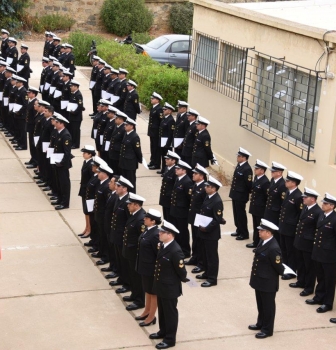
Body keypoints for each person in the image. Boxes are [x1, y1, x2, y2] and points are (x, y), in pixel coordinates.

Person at [149, 220, 189, 350]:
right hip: (161, 285)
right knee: (162, 310)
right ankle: (163, 331)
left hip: (170, 287)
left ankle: (170, 339)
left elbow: (181, 271)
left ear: (170, 235)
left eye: (162, 232)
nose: (159, 233)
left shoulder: (175, 251)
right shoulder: (164, 245)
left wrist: (179, 281)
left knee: (170, 313)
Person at [249, 219, 284, 339]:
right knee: (261, 304)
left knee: (268, 306)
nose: (259, 232)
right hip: (260, 280)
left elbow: (278, 266)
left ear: (268, 233)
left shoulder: (273, 248)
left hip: (268, 282)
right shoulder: (263, 241)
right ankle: (261, 323)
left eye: (262, 231)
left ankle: (267, 329)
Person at [307, 193, 336, 317]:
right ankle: (319, 296)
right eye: (323, 203)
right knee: (320, 276)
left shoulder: (334, 219)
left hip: (329, 255)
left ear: (332, 206)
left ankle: (327, 303)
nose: (322, 205)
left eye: (325, 203)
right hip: (319, 252)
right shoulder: (322, 216)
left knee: (329, 279)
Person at [292, 188, 322, 296]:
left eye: (306, 197)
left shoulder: (318, 212)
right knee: (300, 263)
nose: (303, 198)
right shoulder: (305, 208)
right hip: (300, 240)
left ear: (313, 199)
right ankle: (301, 281)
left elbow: (317, 229)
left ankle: (309, 288)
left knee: (309, 266)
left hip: (308, 243)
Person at [196, 175, 224, 287]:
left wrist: (206, 228)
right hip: (203, 231)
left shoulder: (217, 201)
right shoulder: (208, 197)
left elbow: (217, 219)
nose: (205, 188)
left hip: (211, 233)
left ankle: (212, 279)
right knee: (205, 254)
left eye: (208, 186)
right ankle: (207, 273)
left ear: (214, 188)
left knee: (212, 256)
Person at [136, 209, 161, 326]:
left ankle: (151, 316)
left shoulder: (156, 234)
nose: (144, 219)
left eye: (147, 218)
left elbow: (158, 254)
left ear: (153, 221)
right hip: (144, 266)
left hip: (151, 268)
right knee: (147, 290)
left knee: (153, 292)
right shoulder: (148, 230)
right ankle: (147, 311)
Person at [108, 176, 133, 294]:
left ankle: (127, 283)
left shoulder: (127, 202)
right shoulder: (119, 198)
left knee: (124, 261)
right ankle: (121, 278)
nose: (116, 187)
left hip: (122, 236)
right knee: (118, 259)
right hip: (116, 234)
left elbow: (129, 221)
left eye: (118, 186)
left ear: (124, 188)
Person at [122, 193, 147, 311]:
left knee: (137, 278)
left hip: (135, 253)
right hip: (130, 251)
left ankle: (140, 301)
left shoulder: (141, 219)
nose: (128, 206)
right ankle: (134, 294)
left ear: (136, 205)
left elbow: (141, 238)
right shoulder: (134, 215)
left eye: (130, 204)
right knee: (132, 275)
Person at [279, 170, 303, 280]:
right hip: (284, 225)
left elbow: (300, 214)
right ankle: (285, 267)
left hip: (290, 227)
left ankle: (291, 271)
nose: (286, 182)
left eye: (288, 181)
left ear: (294, 183)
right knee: (283, 249)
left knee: (290, 251)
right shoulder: (288, 192)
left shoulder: (298, 196)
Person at [186, 163, 208, 271]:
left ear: (202, 176)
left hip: (200, 219)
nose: (193, 175)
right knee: (195, 239)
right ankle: (194, 257)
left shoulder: (204, 188)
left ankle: (201, 262)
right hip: (193, 217)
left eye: (196, 174)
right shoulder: (196, 185)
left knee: (200, 241)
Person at [169, 159, 193, 258]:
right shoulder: (178, 179)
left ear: (184, 170)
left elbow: (190, 198)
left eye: (178, 169)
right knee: (177, 231)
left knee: (183, 232)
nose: (176, 170)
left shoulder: (187, 182)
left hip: (182, 211)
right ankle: (178, 248)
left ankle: (186, 251)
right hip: (176, 210)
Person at [229, 147, 253, 241]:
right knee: (236, 213)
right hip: (235, 193)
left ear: (244, 158)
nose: (237, 157)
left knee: (241, 214)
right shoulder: (239, 165)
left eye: (239, 156)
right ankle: (239, 229)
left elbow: (248, 184)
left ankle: (244, 232)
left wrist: (246, 194)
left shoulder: (247, 169)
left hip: (241, 195)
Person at [246, 160, 270, 249]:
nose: (254, 170)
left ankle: (259, 243)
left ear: (262, 171)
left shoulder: (265, 182)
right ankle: (255, 242)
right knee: (255, 225)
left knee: (260, 227)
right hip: (255, 206)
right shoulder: (257, 178)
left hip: (260, 208)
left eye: (257, 169)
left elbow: (266, 197)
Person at [93, 162, 114, 266]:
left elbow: (107, 205)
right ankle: (101, 252)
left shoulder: (107, 187)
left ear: (105, 174)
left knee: (104, 237)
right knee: (100, 235)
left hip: (103, 216)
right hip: (98, 215)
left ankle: (105, 256)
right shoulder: (101, 184)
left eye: (99, 172)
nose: (97, 174)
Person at [51, 113, 72, 210]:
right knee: (58, 182)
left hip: (62, 164)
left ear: (62, 124)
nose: (55, 124)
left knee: (64, 183)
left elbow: (67, 153)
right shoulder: (58, 132)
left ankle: (65, 202)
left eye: (57, 122)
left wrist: (62, 162)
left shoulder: (65, 135)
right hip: (56, 161)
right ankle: (60, 198)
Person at [263, 161, 287, 243]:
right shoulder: (273, 180)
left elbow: (283, 201)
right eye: (271, 171)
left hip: (276, 212)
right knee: (267, 228)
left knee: (274, 230)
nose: (271, 173)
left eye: (274, 171)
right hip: (269, 209)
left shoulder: (282, 184)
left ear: (280, 173)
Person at [118, 117, 143, 192]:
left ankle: (132, 194)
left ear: (132, 126)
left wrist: (140, 159)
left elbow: (137, 150)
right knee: (124, 179)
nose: (124, 126)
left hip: (130, 162)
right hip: (124, 161)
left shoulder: (134, 136)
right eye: (125, 125)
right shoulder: (126, 134)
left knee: (131, 180)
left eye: (126, 125)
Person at [78, 145, 96, 239]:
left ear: (90, 154)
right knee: (85, 211)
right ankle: (87, 227)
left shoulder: (91, 165)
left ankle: (89, 229)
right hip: (84, 189)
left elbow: (91, 180)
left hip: (88, 192)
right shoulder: (86, 162)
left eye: (85, 153)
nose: (83, 154)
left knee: (88, 211)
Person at [157, 102, 175, 174]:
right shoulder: (164, 118)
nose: (163, 111)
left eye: (165, 110)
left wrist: (168, 143)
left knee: (167, 157)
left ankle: (166, 171)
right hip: (162, 140)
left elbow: (171, 133)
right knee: (163, 156)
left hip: (167, 142)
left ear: (170, 111)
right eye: (163, 110)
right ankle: (163, 169)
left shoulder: (171, 120)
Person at [147, 92, 163, 170]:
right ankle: (152, 161)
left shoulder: (159, 109)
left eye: (153, 99)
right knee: (152, 147)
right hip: (152, 132)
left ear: (157, 100)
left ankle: (157, 163)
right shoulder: (153, 108)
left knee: (156, 149)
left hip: (156, 132)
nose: (151, 100)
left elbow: (161, 122)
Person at [25, 87, 39, 169]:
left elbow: (35, 117)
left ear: (33, 94)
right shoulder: (31, 101)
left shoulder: (35, 103)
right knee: (31, 144)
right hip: (30, 126)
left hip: (33, 127)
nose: (28, 94)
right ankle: (32, 158)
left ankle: (35, 161)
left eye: (29, 93)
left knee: (34, 145)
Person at [13, 76, 28, 150]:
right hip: (17, 112)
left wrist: (20, 111)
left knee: (22, 130)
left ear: (21, 83)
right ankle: (19, 143)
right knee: (18, 129)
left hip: (21, 114)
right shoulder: (18, 90)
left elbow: (25, 104)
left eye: (17, 82)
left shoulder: (23, 91)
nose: (16, 83)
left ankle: (23, 145)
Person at [68, 79, 84, 149]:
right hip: (72, 115)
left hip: (76, 117)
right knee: (72, 130)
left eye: (72, 86)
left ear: (76, 87)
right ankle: (72, 143)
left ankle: (76, 144)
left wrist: (74, 112)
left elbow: (80, 106)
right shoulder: (74, 94)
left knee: (75, 131)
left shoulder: (78, 95)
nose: (70, 87)